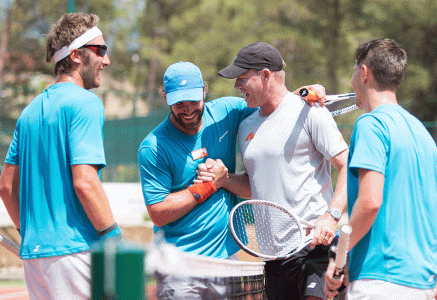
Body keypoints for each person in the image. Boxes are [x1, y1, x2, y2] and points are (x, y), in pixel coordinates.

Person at [137, 61, 324, 299]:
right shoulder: (153, 147)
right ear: (165, 98)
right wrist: (207, 186)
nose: (187, 109)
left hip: (227, 261)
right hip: (179, 265)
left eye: (193, 101)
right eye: (178, 103)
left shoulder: (226, 111)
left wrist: (303, 93)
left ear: (204, 91)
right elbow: (158, 212)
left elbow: (273, 104)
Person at [0, 13, 121, 300]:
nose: (106, 60)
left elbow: (6, 188)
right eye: (100, 50)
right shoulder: (86, 103)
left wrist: (30, 233)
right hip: (76, 250)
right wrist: (116, 240)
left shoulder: (29, 113)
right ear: (76, 55)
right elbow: (85, 182)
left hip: (35, 255)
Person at [323, 38, 437, 300]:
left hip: (379, 281)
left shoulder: (370, 125)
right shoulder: (422, 134)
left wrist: (338, 256)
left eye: (353, 70)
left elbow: (370, 201)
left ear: (364, 73)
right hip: (424, 283)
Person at [217, 42, 349, 300]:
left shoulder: (310, 111)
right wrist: (226, 180)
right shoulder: (246, 127)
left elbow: (348, 165)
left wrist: (331, 216)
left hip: (315, 249)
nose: (236, 87)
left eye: (243, 79)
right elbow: (256, 185)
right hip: (275, 258)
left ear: (266, 75)